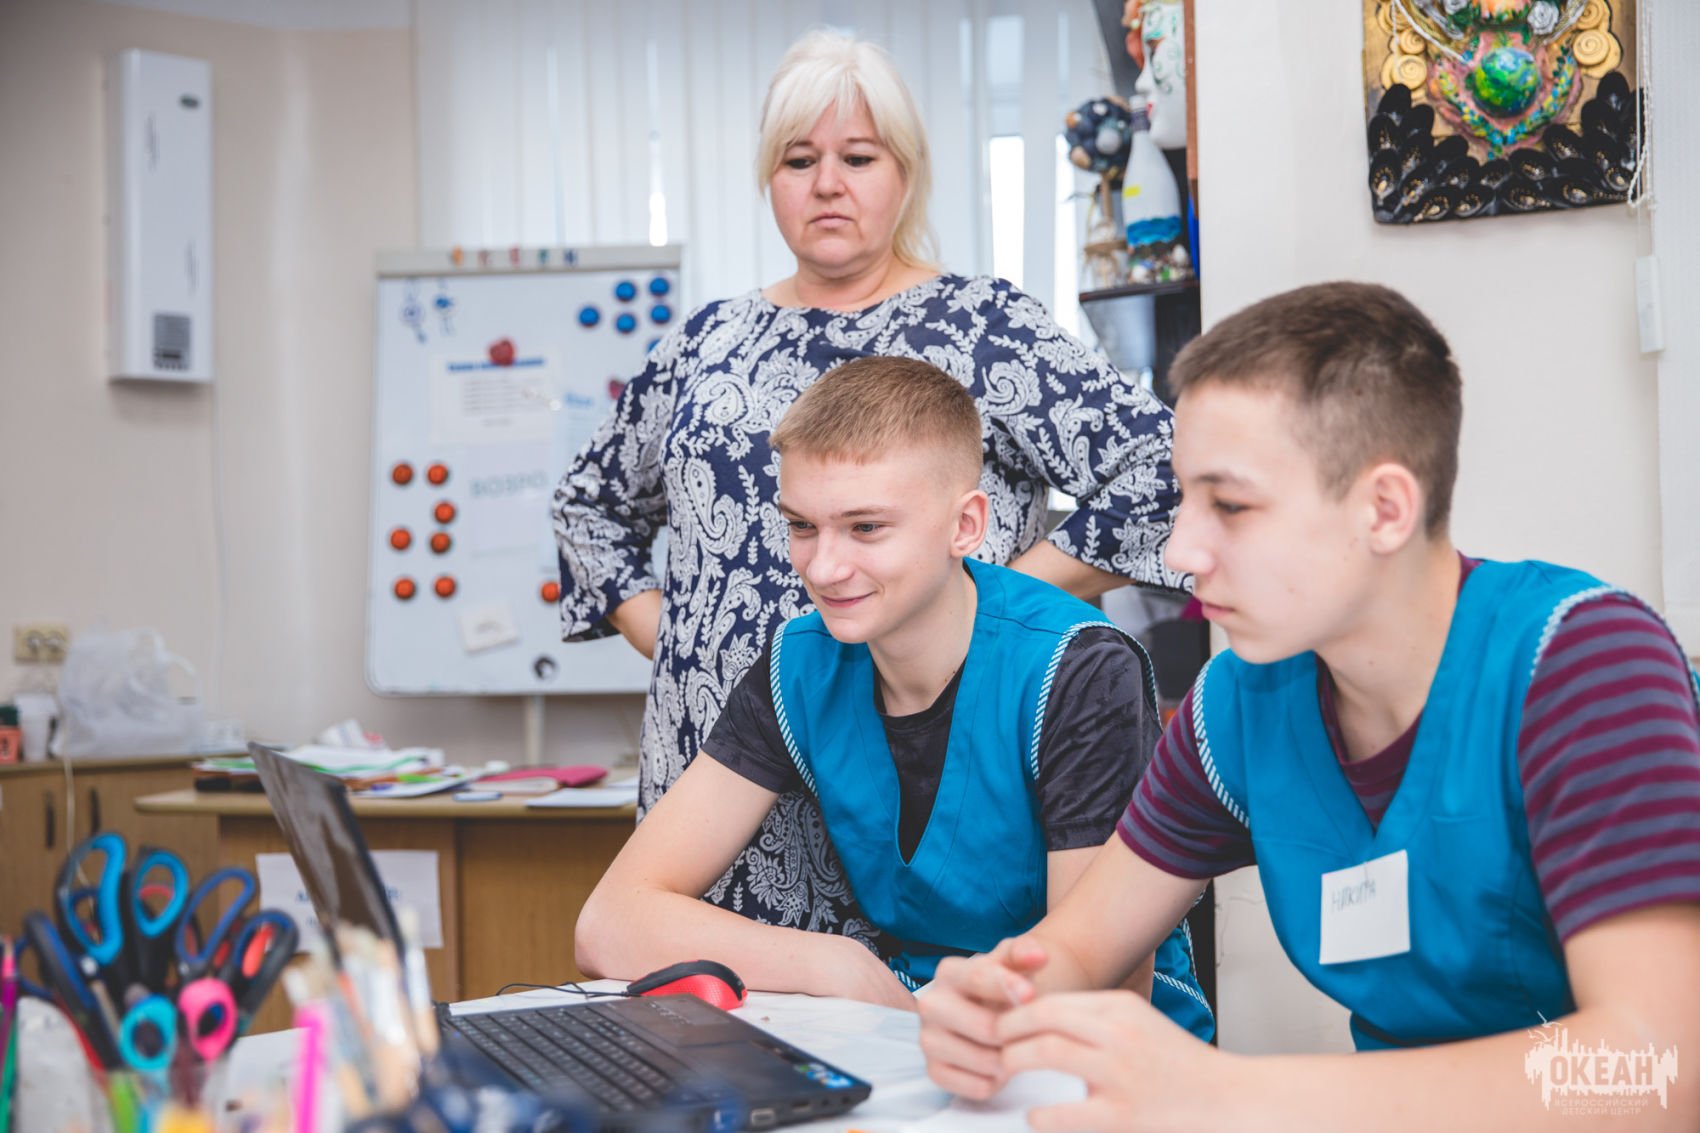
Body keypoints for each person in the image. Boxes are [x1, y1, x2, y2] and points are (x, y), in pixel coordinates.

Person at [916, 282, 1700, 1129]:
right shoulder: (1241, 703)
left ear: (1384, 509)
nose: (1180, 549)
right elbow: (1075, 948)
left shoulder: (1583, 664)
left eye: (1230, 504)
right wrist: (991, 999)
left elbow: (1655, 1070)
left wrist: (1227, 1093)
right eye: (1184, 498)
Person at [553, 29, 1182, 948]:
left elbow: (1161, 469)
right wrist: (678, 641)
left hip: (922, 755)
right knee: (709, 1004)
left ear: (906, 173)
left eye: (858, 157)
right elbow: (589, 504)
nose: (826, 184)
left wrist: (1000, 603)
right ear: (768, 178)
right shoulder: (705, 344)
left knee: (906, 1001)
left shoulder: (984, 327)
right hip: (722, 769)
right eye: (797, 160)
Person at [573, 357, 1212, 1039]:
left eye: (866, 528)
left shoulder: (1080, 671)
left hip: (1091, 1054)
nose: (824, 568)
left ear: (965, 525)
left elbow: (1103, 987)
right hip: (906, 1028)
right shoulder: (801, 664)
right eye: (802, 526)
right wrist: (833, 964)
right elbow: (608, 923)